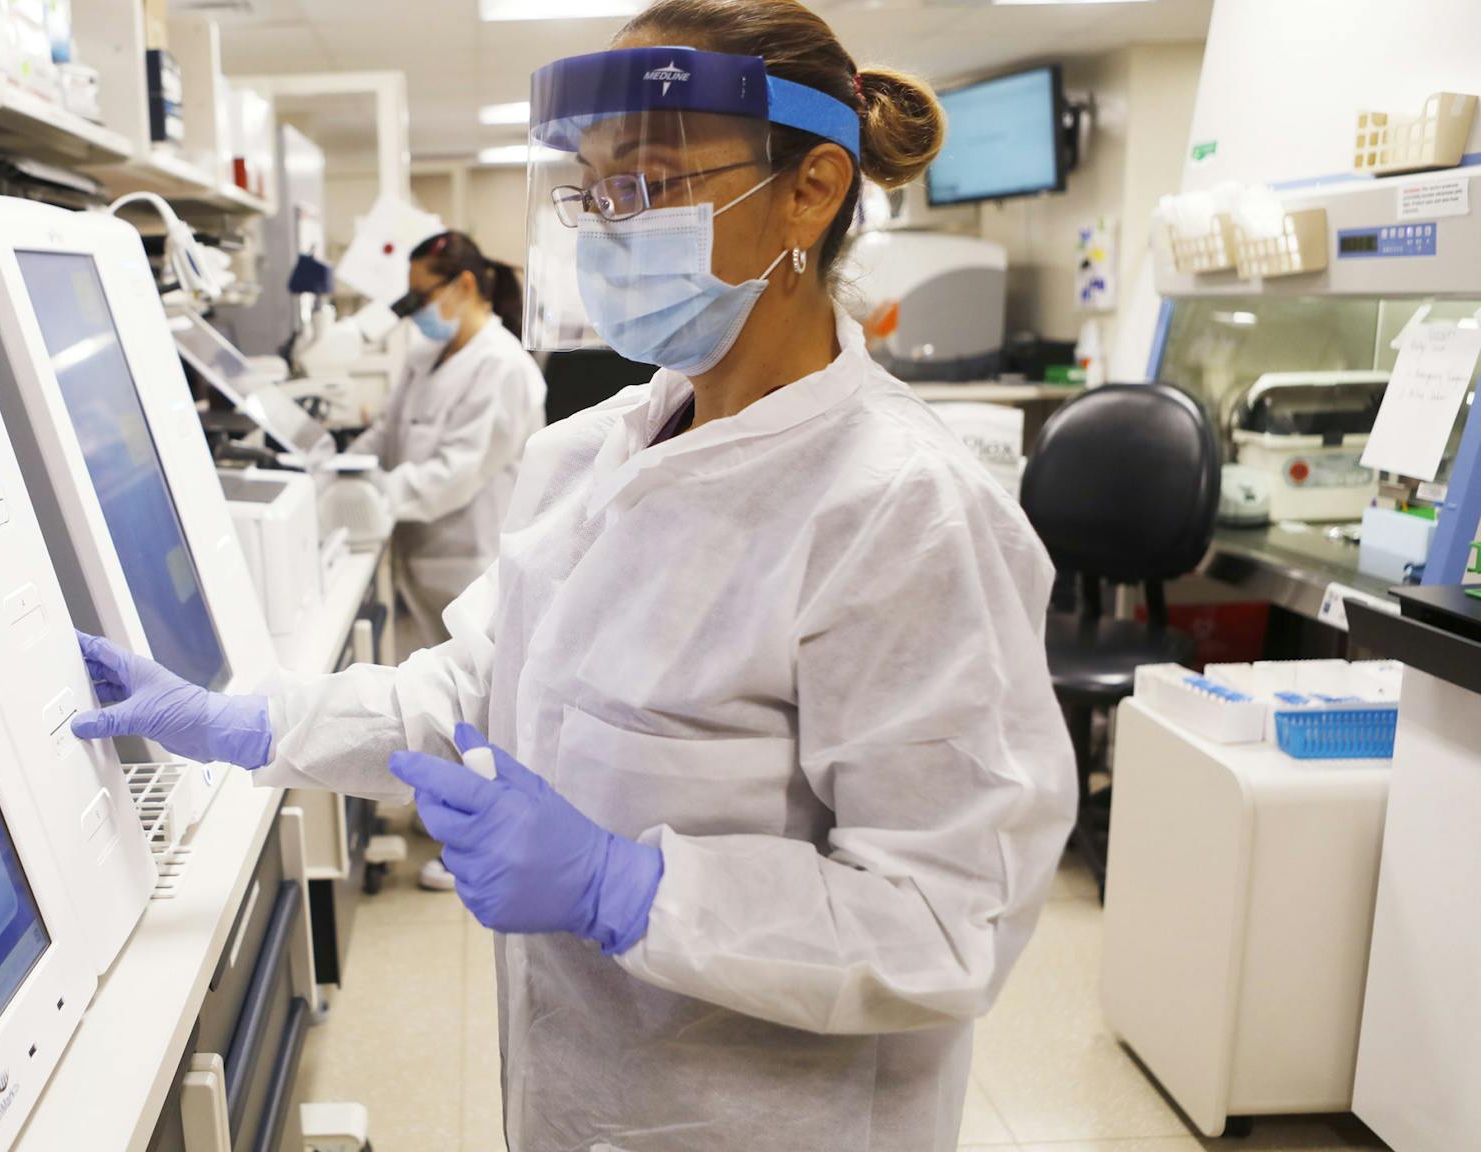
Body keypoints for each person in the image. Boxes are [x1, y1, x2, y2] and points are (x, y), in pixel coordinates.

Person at [71, 2, 1076, 1147]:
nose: (608, 226)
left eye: (649, 183)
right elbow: (470, 689)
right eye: (592, 191)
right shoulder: (591, 454)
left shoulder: (902, 511)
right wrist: (248, 723)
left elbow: (946, 919)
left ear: (809, 188)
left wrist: (629, 888)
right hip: (582, 1095)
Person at [361, 230, 546, 652]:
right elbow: (386, 432)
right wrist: (337, 473)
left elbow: (458, 472)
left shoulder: (503, 366)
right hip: (416, 563)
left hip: (469, 570)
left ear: (465, 285)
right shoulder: (423, 357)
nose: (416, 313)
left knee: (473, 702)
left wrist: (372, 495)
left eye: (421, 298)